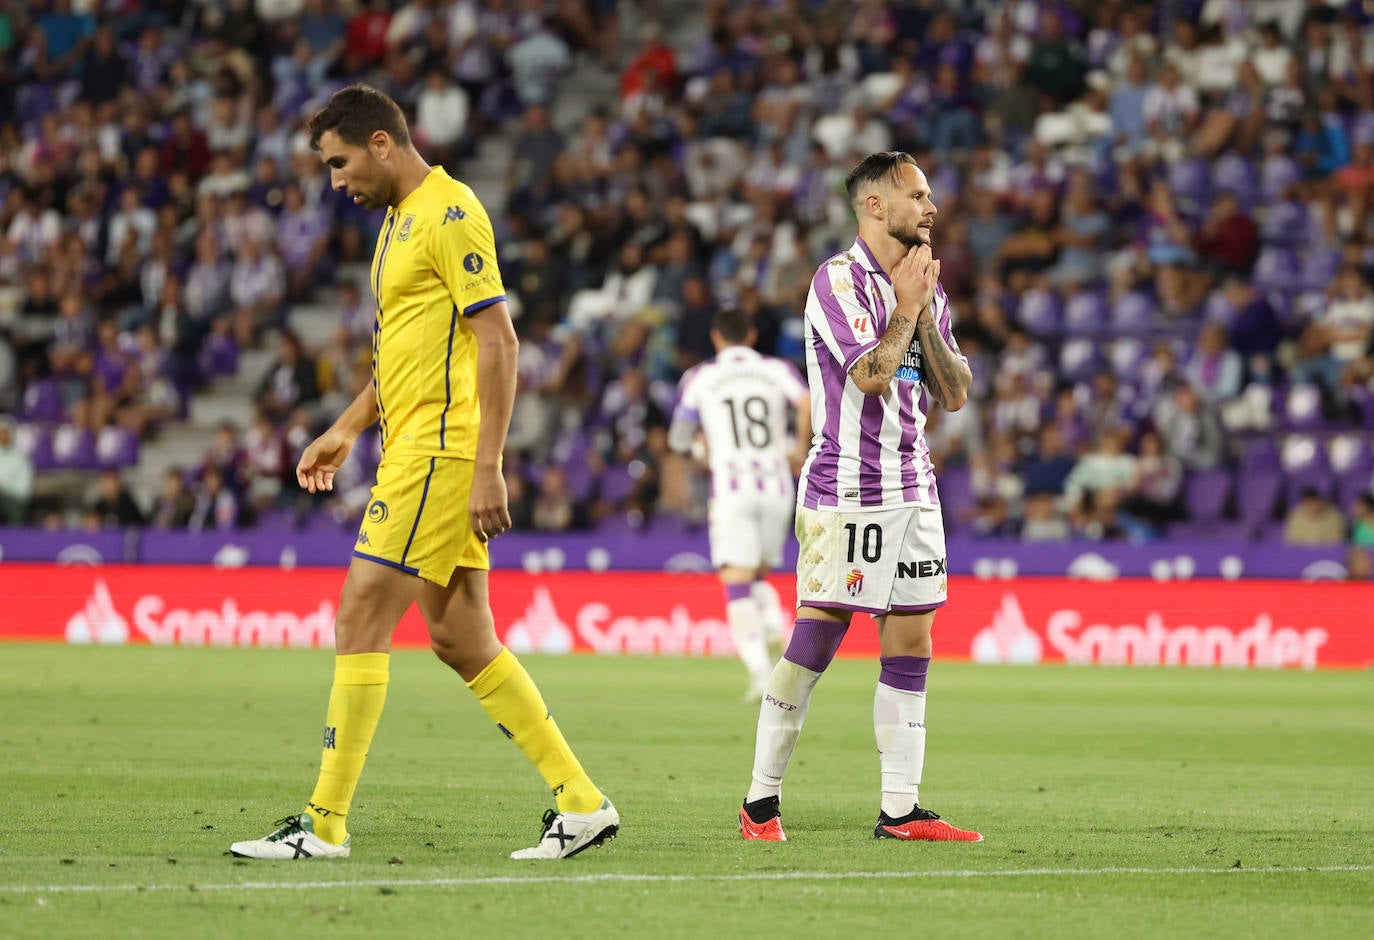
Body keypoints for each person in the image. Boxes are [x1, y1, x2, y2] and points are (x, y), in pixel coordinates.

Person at [230, 85, 617, 862]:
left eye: (340, 163)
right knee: (461, 638)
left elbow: (498, 341)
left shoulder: (449, 213)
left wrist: (489, 467)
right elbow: (402, 353)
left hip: (441, 452)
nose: (336, 182)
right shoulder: (396, 225)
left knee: (359, 617)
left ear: (381, 143)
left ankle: (324, 824)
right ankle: (581, 804)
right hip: (412, 443)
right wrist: (344, 429)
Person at [738, 152, 982, 844]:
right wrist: (906, 307)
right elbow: (873, 375)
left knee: (913, 640)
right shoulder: (836, 282)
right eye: (918, 195)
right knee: (817, 637)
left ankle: (901, 810)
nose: (931, 207)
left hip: (915, 485)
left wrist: (925, 311)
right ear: (875, 206)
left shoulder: (926, 285)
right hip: (847, 486)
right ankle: (759, 805)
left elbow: (956, 392)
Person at [667, 306, 811, 702]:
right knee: (757, 574)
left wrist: (701, 449)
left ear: (716, 337)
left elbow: (678, 439)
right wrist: (799, 447)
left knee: (735, 579)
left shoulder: (701, 378)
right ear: (750, 336)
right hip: (777, 485)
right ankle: (772, 630)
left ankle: (763, 676)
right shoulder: (775, 369)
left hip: (733, 487)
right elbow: (806, 403)